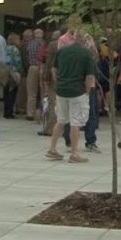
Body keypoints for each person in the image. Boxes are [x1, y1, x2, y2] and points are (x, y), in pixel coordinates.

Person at [46, 30, 95, 164]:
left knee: (61, 119)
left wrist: (58, 82)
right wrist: (87, 91)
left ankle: (52, 148)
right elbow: (89, 76)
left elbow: (53, 69)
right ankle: (74, 153)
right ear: (84, 39)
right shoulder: (86, 53)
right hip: (77, 91)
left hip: (61, 89)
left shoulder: (62, 50)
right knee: (76, 121)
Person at [23, 28, 45, 121]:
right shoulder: (43, 43)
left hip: (32, 67)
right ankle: (43, 112)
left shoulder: (29, 43)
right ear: (42, 35)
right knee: (44, 91)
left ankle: (30, 113)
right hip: (41, 67)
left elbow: (26, 55)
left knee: (31, 92)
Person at [4, 32, 23, 119]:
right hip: (13, 72)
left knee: (6, 92)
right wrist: (20, 71)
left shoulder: (5, 48)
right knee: (12, 92)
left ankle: (6, 111)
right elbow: (17, 62)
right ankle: (10, 112)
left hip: (5, 72)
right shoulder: (15, 50)